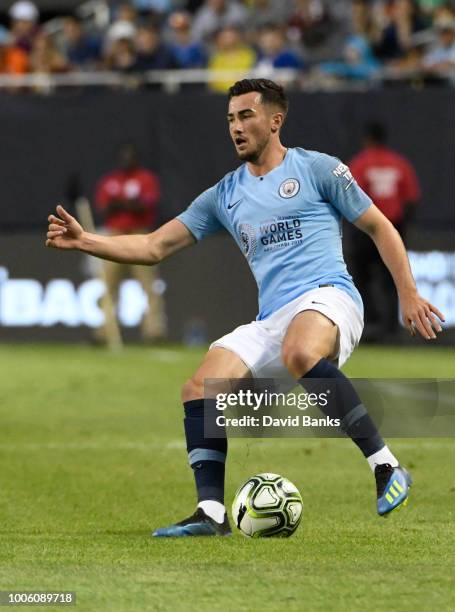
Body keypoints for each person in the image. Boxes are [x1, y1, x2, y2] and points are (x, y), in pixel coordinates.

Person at [46, 78, 444, 537]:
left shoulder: (318, 169)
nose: (236, 127)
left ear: (276, 121)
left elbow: (380, 226)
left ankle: (386, 466)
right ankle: (211, 514)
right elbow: (155, 246)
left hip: (329, 295)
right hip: (271, 316)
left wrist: (408, 294)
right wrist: (86, 241)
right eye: (231, 118)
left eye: (246, 116)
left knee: (300, 352)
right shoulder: (224, 195)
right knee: (199, 388)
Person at [349, 122, 421, 339]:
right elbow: (412, 198)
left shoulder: (361, 163)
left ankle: (370, 323)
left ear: (367, 139)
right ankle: (392, 327)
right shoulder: (399, 163)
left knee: (361, 279)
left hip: (366, 228)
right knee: (393, 280)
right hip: (394, 227)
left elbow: (350, 196)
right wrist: (402, 226)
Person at [93, 143, 167, 342]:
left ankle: (154, 332)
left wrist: (120, 204)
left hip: (141, 236)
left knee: (149, 285)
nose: (126, 160)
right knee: (108, 286)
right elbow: (105, 209)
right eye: (123, 157)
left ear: (136, 159)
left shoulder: (146, 179)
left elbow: (144, 207)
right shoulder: (110, 181)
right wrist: (128, 205)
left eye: (130, 157)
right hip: (114, 236)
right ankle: (104, 332)